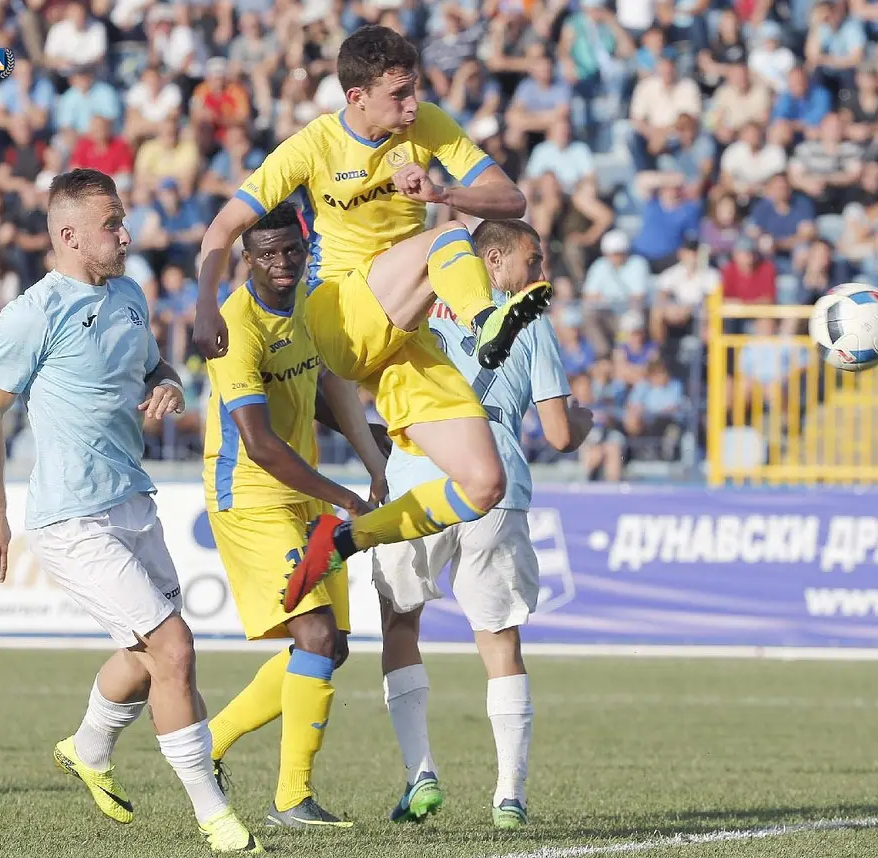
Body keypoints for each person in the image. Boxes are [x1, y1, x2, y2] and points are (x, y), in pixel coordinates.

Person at [192, 25, 549, 612]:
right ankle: (488, 321)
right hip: (339, 310)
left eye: (415, 90)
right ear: (357, 97)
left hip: (402, 330)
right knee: (449, 240)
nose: (412, 105)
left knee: (485, 483)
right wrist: (206, 304)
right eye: (399, 94)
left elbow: (511, 201)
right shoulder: (313, 146)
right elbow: (224, 226)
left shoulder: (426, 124)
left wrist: (441, 193)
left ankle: (345, 540)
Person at [0, 169, 261, 853]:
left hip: (133, 501)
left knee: (144, 655)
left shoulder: (128, 294)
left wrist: (169, 386)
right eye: (112, 225)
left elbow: (158, 369)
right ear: (69, 235)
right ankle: (215, 815)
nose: (127, 235)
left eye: (123, 220)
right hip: (71, 518)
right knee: (173, 648)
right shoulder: (33, 313)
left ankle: (87, 748)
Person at [371, 220, 593, 829]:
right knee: (499, 641)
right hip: (495, 487)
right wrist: (585, 420)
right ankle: (509, 796)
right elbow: (559, 434)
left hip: (419, 484)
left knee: (400, 624)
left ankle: (420, 776)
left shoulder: (415, 303)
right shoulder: (532, 319)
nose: (540, 272)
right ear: (493, 260)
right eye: (533, 259)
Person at [200, 203, 389, 828]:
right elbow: (259, 443)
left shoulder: (310, 301)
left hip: (302, 493)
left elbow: (322, 391)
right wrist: (345, 496)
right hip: (251, 496)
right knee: (315, 638)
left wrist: (373, 451)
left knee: (331, 647)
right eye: (268, 253)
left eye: (291, 250)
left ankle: (210, 741)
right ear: (247, 258)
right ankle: (291, 799)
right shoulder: (237, 327)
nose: (282, 263)